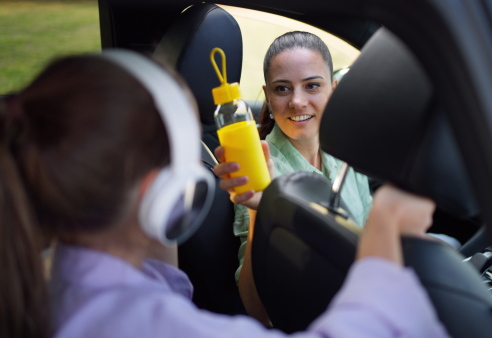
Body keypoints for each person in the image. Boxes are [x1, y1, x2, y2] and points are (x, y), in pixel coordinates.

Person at [0, 49, 448, 338]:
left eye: (314, 85)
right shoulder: (142, 324)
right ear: (168, 194)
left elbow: (165, 289)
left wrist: (261, 204)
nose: (298, 102)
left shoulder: (48, 284)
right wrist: (390, 229)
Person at [214, 31, 373, 323]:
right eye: (283, 89)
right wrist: (256, 212)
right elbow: (259, 312)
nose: (297, 102)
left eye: (312, 86)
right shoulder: (261, 172)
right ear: (268, 97)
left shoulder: (346, 153)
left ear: (333, 90)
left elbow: (372, 236)